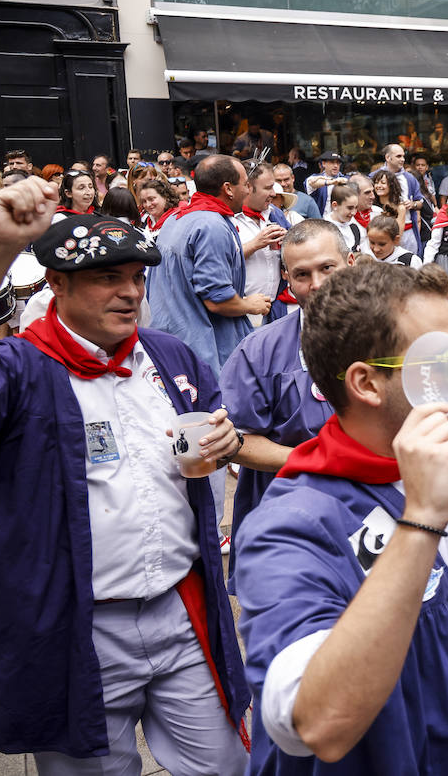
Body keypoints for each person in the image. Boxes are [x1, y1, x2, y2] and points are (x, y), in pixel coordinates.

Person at [234, 261, 448, 774]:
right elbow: (316, 724)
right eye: (441, 359)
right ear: (367, 384)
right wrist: (420, 520)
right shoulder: (289, 527)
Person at [0, 185, 249, 773]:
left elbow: (212, 432)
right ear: (58, 285)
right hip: (78, 630)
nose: (130, 291)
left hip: (182, 612)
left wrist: (227, 442)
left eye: (136, 276)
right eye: (108, 277)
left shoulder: (170, 356)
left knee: (226, 765)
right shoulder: (21, 367)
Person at [219, 219, 349, 581]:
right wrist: (311, 461)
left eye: (327, 268)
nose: (317, 284)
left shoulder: (391, 337)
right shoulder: (261, 351)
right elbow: (236, 440)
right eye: (302, 274)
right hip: (291, 522)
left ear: (350, 264)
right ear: (287, 280)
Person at [149, 155, 271, 372]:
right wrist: (250, 305)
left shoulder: (176, 219)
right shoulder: (211, 226)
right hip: (203, 354)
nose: (248, 190)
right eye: (245, 185)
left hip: (173, 348)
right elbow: (218, 301)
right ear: (228, 189)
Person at [233, 162, 291, 323]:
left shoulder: (275, 214)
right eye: (268, 188)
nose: (273, 193)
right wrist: (255, 244)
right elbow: (221, 261)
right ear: (248, 187)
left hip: (276, 309)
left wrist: (289, 241)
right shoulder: (227, 219)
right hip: (242, 312)